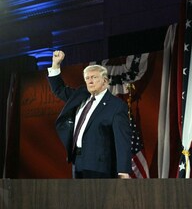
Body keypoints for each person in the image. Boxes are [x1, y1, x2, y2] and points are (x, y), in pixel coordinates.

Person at [47, 50, 132, 178]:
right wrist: (55, 65)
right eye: (87, 78)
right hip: (78, 161)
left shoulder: (116, 106)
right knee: (79, 198)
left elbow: (122, 140)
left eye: (94, 77)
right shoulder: (81, 96)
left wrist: (123, 171)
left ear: (105, 81)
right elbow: (59, 89)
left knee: (98, 198)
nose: (90, 81)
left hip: (100, 167)